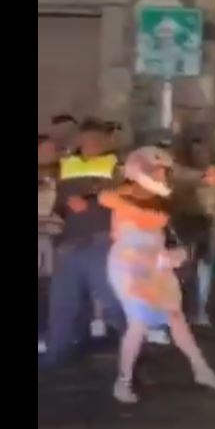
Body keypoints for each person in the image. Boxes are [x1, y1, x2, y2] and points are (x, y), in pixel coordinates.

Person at [99, 147, 215, 403]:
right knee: (139, 321)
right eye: (156, 170)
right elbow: (107, 198)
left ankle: (201, 369)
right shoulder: (125, 193)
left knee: (176, 317)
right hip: (130, 264)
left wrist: (177, 252)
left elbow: (170, 227)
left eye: (164, 171)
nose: (162, 175)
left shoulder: (164, 199)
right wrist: (146, 212)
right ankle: (122, 381)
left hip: (156, 261)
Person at [43, 118, 127, 366]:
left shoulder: (116, 166)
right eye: (87, 139)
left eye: (97, 139)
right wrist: (62, 209)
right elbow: (58, 204)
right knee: (62, 303)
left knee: (111, 300)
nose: (91, 144)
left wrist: (91, 202)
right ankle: (55, 354)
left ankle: (131, 352)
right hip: (70, 243)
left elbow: (123, 196)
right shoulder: (66, 166)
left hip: (101, 241)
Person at [38, 136, 63, 354]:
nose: (51, 152)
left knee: (50, 287)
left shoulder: (59, 175)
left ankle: (47, 333)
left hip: (53, 239)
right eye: (46, 149)